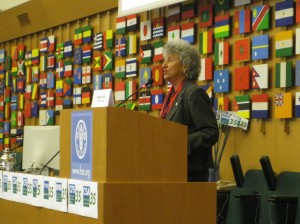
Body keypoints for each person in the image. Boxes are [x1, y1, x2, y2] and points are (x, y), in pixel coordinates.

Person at [160, 39, 219, 182]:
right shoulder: (171, 96)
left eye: (170, 60)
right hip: (171, 168)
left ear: (185, 66)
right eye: (164, 60)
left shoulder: (193, 93)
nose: (163, 65)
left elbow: (211, 132)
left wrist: (180, 143)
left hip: (191, 172)